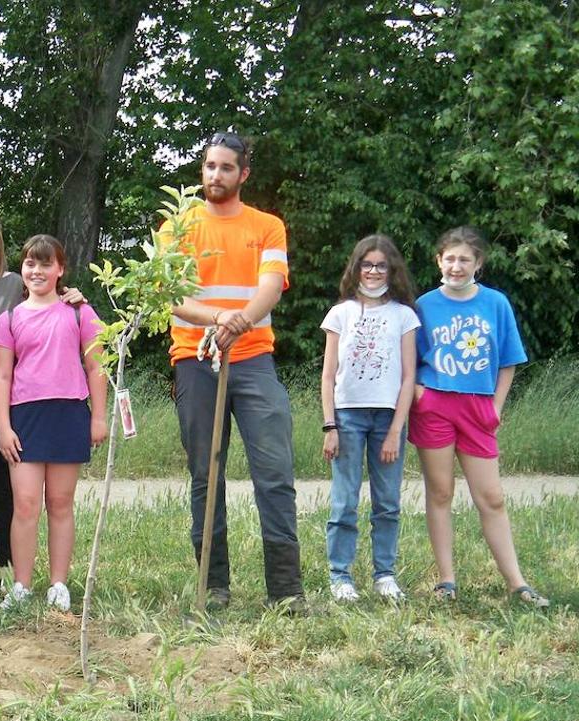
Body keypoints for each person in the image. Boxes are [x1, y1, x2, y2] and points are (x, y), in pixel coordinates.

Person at [169, 131, 304, 610]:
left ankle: (286, 591)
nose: (215, 176)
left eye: (226, 168)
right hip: (195, 359)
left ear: (243, 174)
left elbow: (271, 286)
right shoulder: (178, 225)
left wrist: (240, 322)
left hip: (253, 360)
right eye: (209, 166)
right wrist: (218, 320)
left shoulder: (268, 226)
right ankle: (214, 585)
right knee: (207, 474)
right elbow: (174, 296)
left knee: (274, 472)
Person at [0, 208, 85, 592]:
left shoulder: (12, 284)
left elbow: (49, 303)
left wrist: (73, 296)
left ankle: (9, 570)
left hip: (7, 409)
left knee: (6, 491)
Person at [409, 227, 548, 607]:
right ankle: (447, 581)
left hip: (478, 407)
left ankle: (517, 584)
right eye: (449, 258)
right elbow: (409, 358)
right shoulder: (423, 305)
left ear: (478, 263)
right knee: (440, 493)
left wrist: (496, 406)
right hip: (435, 405)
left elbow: (508, 360)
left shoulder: (496, 303)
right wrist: (419, 393)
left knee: (492, 497)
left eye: (464, 259)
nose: (456, 266)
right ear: (439, 260)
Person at [0, 235, 107, 611]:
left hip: (69, 414)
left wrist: (99, 416)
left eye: (45, 264)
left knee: (60, 503)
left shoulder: (80, 313)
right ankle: (21, 585)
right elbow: (1, 378)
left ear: (60, 269)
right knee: (25, 504)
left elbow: (96, 367)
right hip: (25, 417)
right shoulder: (8, 318)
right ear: (21, 269)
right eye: (30, 263)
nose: (37, 271)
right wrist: (3, 427)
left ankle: (58, 583)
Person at [320, 235, 419, 602]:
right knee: (344, 501)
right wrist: (330, 425)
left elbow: (409, 376)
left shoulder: (404, 316)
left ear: (391, 270)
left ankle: (385, 574)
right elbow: (328, 375)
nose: (374, 271)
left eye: (381, 265)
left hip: (388, 419)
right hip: (347, 416)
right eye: (367, 264)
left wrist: (396, 431)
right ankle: (340, 576)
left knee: (388, 501)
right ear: (356, 268)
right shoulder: (340, 313)